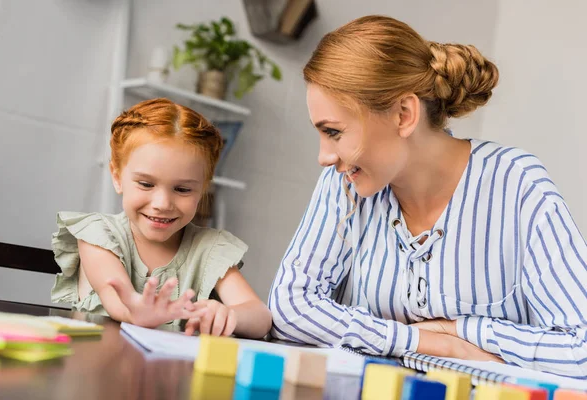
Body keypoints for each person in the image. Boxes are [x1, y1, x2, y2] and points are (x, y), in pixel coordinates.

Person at [269, 15, 587, 377]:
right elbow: (289, 307)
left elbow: (582, 349)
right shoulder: (345, 182)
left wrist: (460, 331)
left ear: (404, 115)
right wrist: (417, 342)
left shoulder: (517, 184)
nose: (324, 156)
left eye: (334, 132)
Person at [51, 98, 271, 338]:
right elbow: (117, 298)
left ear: (203, 188)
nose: (162, 204)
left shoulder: (210, 248)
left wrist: (230, 315)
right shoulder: (97, 235)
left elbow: (260, 317)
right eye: (146, 184)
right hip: (100, 370)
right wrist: (135, 311)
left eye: (183, 189)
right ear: (117, 176)